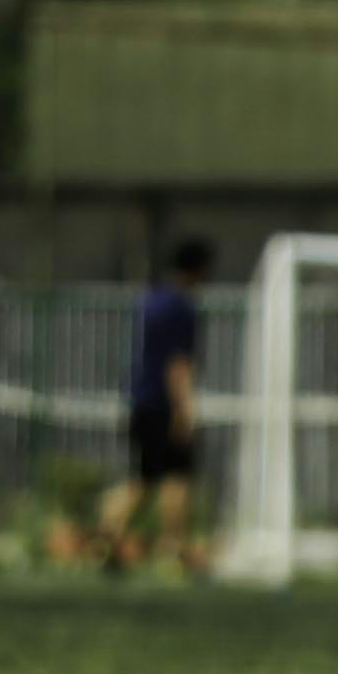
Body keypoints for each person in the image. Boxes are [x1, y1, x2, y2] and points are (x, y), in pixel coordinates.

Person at [101, 239, 212, 575]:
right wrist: (185, 409)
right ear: (198, 269)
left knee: (145, 478)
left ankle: (107, 536)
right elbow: (178, 363)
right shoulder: (181, 307)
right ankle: (178, 550)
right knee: (178, 477)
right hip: (163, 403)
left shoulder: (151, 301)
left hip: (141, 399)